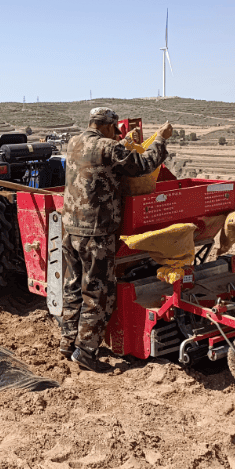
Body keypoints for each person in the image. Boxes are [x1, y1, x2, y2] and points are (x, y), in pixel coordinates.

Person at [60, 107, 173, 372]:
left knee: (73, 287)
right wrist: (161, 138)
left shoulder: (74, 142)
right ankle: (86, 352)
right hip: (96, 233)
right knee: (97, 292)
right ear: (108, 126)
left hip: (71, 230)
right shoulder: (109, 147)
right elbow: (143, 165)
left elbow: (103, 157)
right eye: (116, 129)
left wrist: (123, 143)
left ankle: (67, 342)